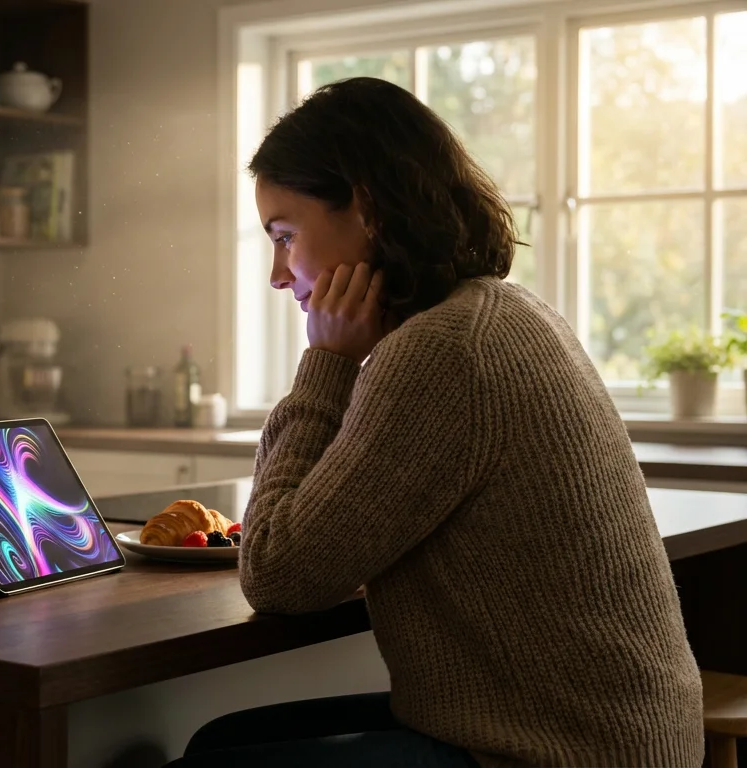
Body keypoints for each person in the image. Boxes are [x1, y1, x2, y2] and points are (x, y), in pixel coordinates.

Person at [170, 77, 703, 767]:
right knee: (221, 743)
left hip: (561, 753)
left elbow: (278, 576)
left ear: (366, 207)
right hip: (613, 736)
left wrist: (327, 363)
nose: (279, 273)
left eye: (285, 234)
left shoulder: (442, 353)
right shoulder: (502, 314)